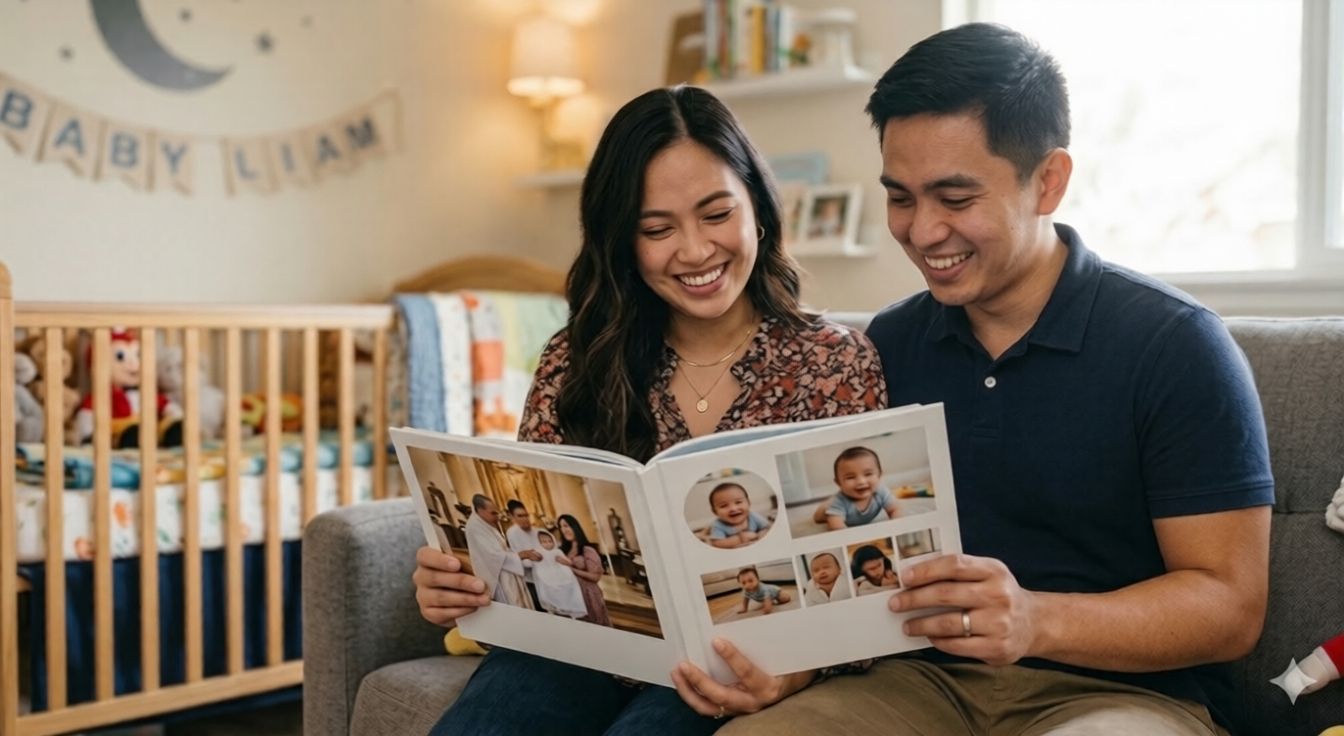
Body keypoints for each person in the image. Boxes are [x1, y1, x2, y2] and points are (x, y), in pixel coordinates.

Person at [727, 23, 1273, 736]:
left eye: (955, 199)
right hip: (910, 685)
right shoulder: (883, 345)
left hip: (1120, 698)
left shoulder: (1174, 344)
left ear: (1047, 181)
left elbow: (1231, 609)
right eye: (901, 197)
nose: (922, 233)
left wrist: (1036, 619)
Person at [414, 84, 887, 735]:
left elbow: (870, 579)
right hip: (573, 654)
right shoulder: (575, 358)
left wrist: (797, 671)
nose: (693, 252)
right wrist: (462, 589)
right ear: (623, 242)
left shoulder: (834, 361)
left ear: (759, 209)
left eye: (716, 214)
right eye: (657, 229)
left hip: (726, 662)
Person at [462, 494, 534, 610]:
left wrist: (519, 554)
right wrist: (520, 555)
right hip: (499, 576)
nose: (497, 516)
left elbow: (502, 548)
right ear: (480, 510)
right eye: (493, 513)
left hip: (507, 570)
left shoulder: (485, 524)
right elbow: (493, 555)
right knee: (513, 607)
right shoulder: (474, 527)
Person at [810, 446, 899, 529]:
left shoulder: (881, 492)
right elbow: (836, 526)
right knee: (820, 516)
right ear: (838, 483)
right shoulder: (839, 502)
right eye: (850, 477)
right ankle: (825, 506)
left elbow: (895, 509)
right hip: (829, 511)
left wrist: (896, 526)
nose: (861, 482)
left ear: (879, 475)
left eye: (868, 474)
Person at [553, 514, 612, 626]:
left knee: (595, 627)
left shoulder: (587, 549)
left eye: (566, 526)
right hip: (571, 594)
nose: (564, 530)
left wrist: (571, 569)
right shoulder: (563, 550)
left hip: (588, 594)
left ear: (575, 527)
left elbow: (595, 577)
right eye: (561, 527)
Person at [532, 529, 588, 619]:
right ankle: (555, 608)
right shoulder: (539, 552)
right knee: (549, 589)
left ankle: (570, 608)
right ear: (539, 542)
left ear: (553, 541)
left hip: (560, 572)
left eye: (550, 541)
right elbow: (536, 563)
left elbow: (568, 562)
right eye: (543, 542)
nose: (547, 544)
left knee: (568, 586)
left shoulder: (557, 551)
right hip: (547, 573)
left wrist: (564, 561)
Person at [504, 499, 545, 609]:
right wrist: (536, 559)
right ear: (512, 517)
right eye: (520, 516)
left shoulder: (537, 531)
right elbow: (520, 559)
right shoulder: (512, 533)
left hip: (545, 576)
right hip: (530, 580)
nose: (525, 519)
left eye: (526, 515)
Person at [706, 481, 771, 548]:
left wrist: (759, 536)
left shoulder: (752, 516)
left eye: (738, 502)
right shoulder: (718, 525)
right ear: (714, 511)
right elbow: (717, 543)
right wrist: (739, 539)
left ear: (748, 503)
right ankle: (705, 531)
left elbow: (766, 527)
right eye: (723, 506)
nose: (733, 508)